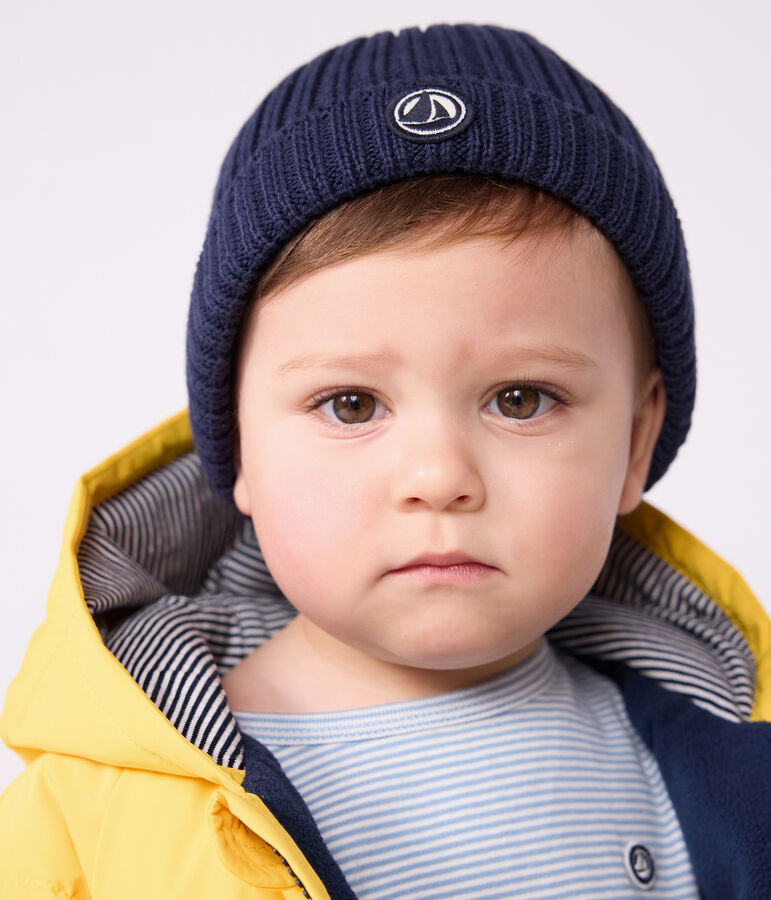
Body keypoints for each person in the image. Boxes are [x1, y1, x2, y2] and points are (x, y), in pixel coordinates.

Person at [1, 22, 769, 900]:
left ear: (634, 441)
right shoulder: (92, 819)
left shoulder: (725, 763)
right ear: (237, 442)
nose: (438, 476)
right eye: (352, 405)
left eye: (520, 399)